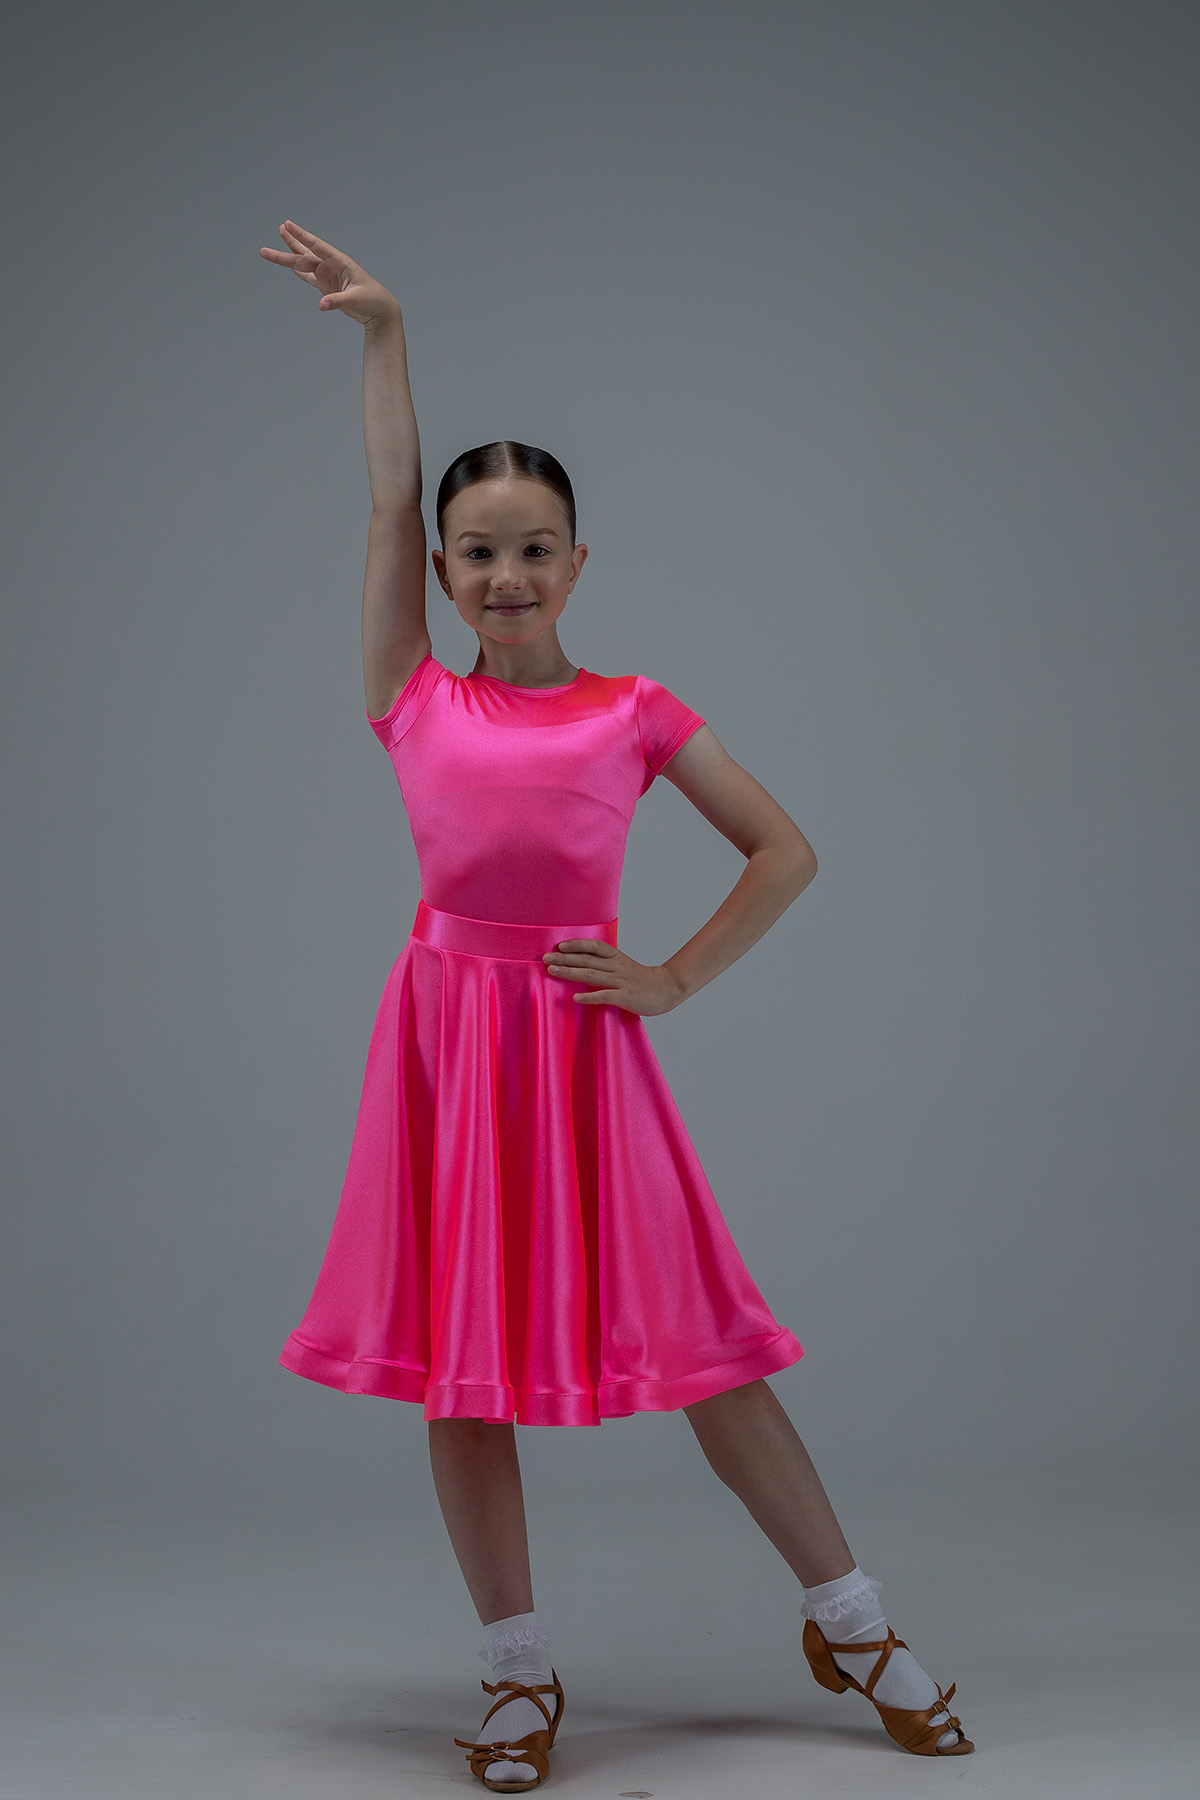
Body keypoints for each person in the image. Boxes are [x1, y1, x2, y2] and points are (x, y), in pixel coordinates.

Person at [258, 219, 974, 1792]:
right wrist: (385, 333)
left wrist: (670, 978)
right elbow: (386, 496)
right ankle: (518, 1672)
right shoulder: (413, 695)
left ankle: (852, 1620)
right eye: (476, 553)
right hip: (448, 1046)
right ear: (441, 575)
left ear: (578, 563)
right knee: (464, 1366)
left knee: (709, 1347)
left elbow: (785, 851)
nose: (504, 575)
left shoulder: (635, 713)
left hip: (583, 1049)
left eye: (534, 549)